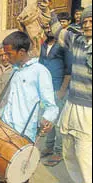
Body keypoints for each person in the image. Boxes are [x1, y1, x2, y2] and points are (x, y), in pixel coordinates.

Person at [0, 31, 59, 183]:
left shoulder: (40, 72)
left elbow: (51, 106)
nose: (6, 58)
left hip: (23, 135)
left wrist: (47, 120)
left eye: (9, 54)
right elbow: (12, 100)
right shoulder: (16, 71)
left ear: (22, 52)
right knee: (2, 170)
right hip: (6, 129)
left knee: (19, 175)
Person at [41, 3, 92, 182]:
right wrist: (50, 10)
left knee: (85, 153)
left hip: (88, 110)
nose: (87, 25)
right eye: (85, 21)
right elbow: (57, 30)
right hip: (72, 104)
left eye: (91, 21)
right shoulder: (77, 42)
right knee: (69, 149)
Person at [39, 23, 72, 167]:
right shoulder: (43, 45)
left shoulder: (63, 46)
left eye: (50, 27)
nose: (48, 30)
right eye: (45, 27)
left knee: (58, 123)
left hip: (58, 88)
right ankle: (49, 146)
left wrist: (62, 90)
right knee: (47, 120)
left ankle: (58, 152)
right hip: (45, 90)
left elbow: (69, 69)